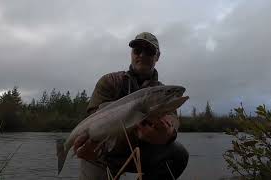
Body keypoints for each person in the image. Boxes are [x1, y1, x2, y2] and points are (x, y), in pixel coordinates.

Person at [73, 32, 189, 180]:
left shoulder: (162, 93)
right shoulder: (110, 81)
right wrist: (88, 147)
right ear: (132, 53)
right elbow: (93, 119)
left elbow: (172, 118)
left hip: (143, 153)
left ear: (157, 56)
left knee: (178, 154)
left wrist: (168, 134)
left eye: (149, 51)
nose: (142, 55)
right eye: (137, 50)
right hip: (101, 153)